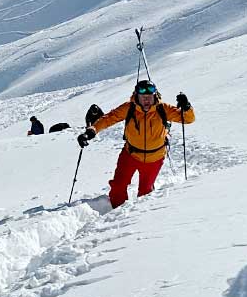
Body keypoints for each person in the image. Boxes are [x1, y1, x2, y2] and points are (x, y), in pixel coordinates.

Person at [77, 81, 194, 209]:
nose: (146, 100)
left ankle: (136, 220)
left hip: (154, 158)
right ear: (136, 96)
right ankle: (115, 214)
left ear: (155, 96)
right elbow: (109, 118)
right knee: (118, 187)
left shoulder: (163, 109)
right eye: (143, 97)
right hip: (130, 155)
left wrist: (186, 107)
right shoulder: (129, 108)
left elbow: (187, 119)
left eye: (149, 96)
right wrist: (91, 131)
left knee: (145, 192)